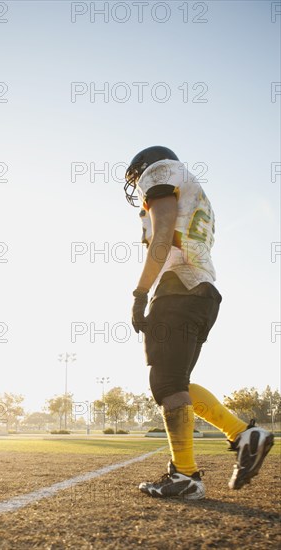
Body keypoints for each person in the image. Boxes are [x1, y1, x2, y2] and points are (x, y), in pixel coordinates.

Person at [124, 146, 274, 500]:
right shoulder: (195, 193)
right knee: (178, 384)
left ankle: (187, 476)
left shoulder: (161, 172)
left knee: (165, 384)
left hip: (178, 289)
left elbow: (161, 240)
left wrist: (140, 292)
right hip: (203, 292)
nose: (137, 184)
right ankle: (242, 434)